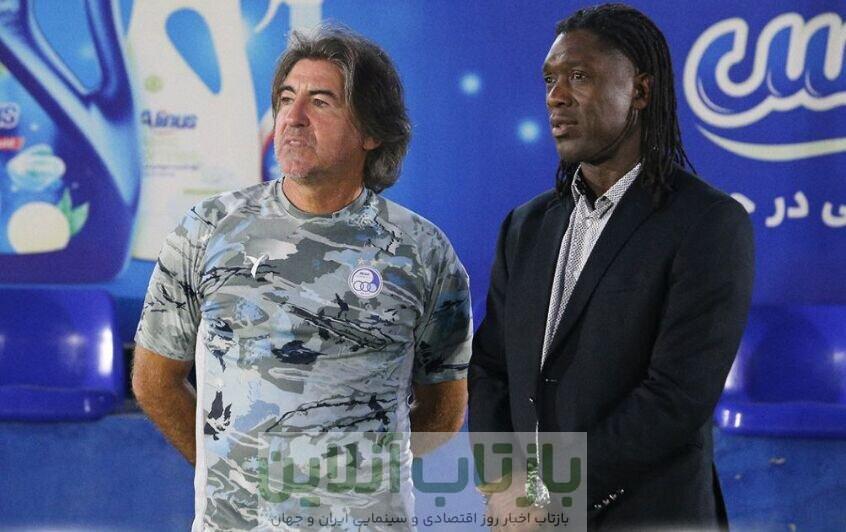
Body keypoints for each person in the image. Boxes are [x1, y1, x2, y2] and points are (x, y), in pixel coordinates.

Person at [132, 25, 472, 530]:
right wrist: (232, 477)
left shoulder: (423, 252)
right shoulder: (206, 229)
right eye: (287, 98)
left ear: (371, 132)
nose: (292, 118)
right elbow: (154, 381)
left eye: (320, 102)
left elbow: (444, 407)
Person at [468, 4, 754, 530]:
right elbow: (490, 366)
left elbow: (675, 399)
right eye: (550, 79)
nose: (556, 96)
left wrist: (550, 492)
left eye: (579, 77)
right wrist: (503, 483)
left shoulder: (709, 223)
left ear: (640, 92)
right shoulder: (525, 226)